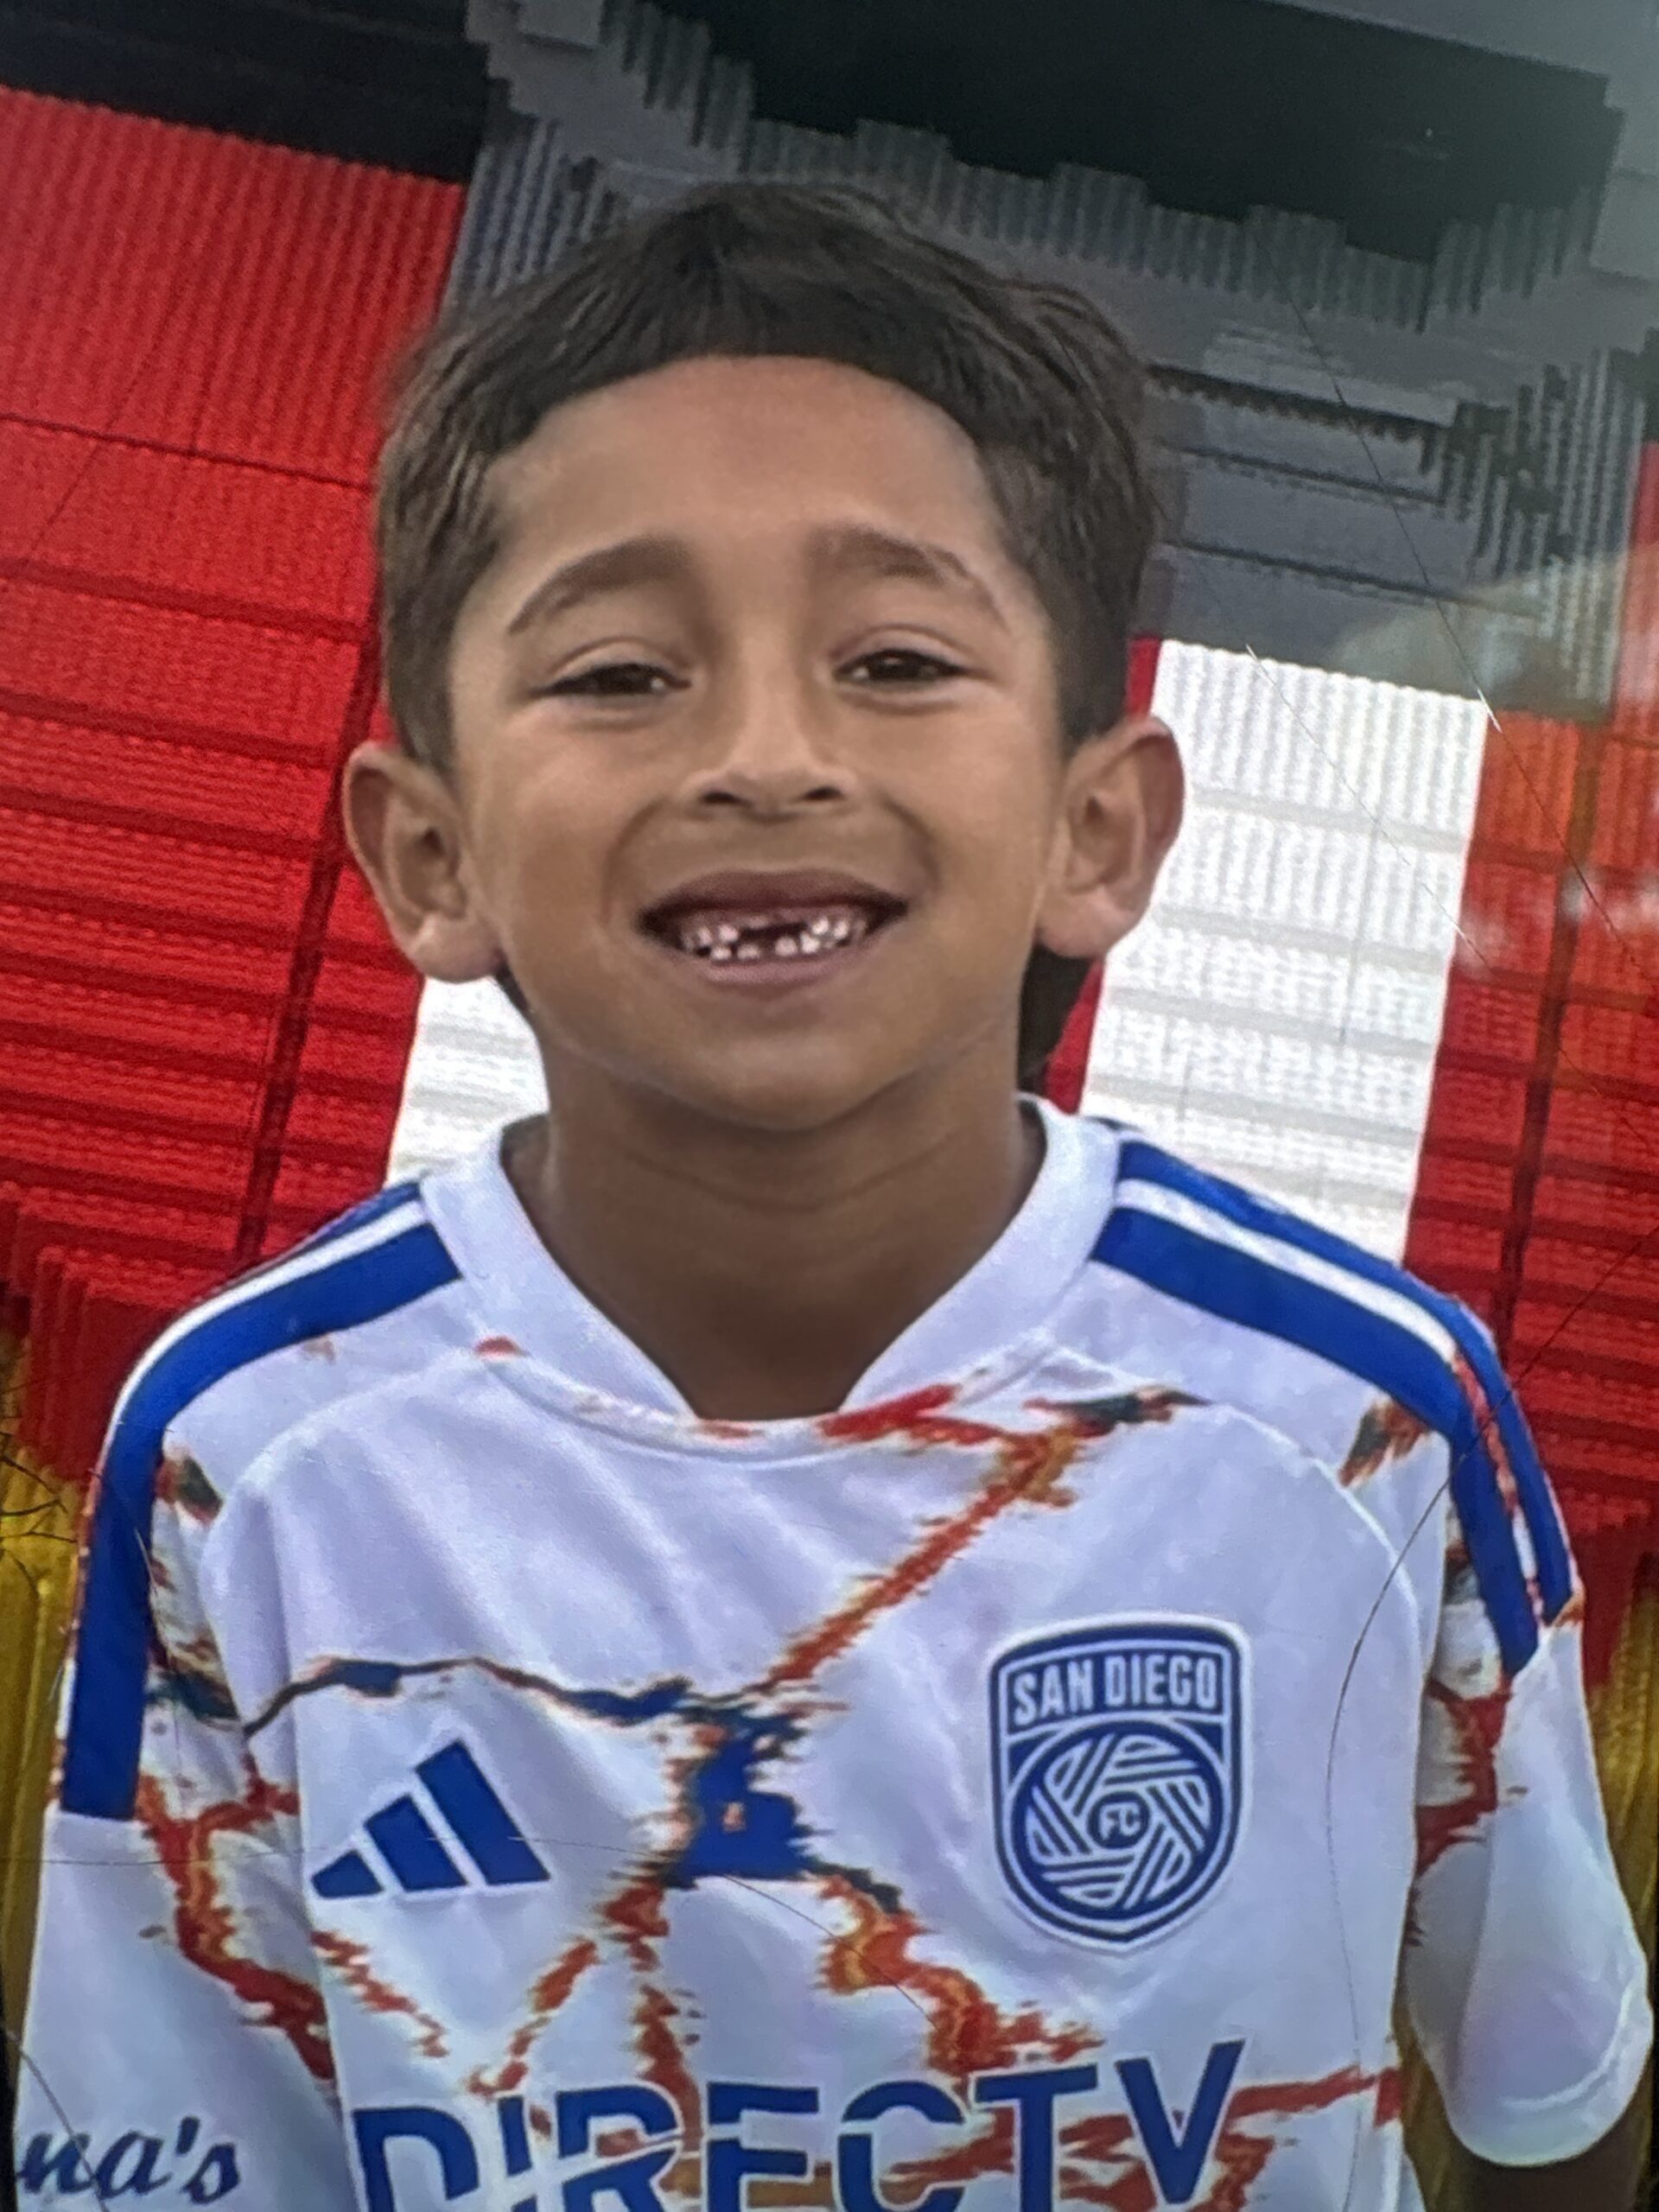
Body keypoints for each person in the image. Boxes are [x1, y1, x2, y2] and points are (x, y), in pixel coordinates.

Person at [12, 181, 1650, 2212]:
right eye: (623, 670)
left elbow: (1549, 2089)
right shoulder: (254, 1452)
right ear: (430, 853)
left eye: (894, 655)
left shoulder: (1357, 1414)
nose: (768, 754)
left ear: (1099, 825)